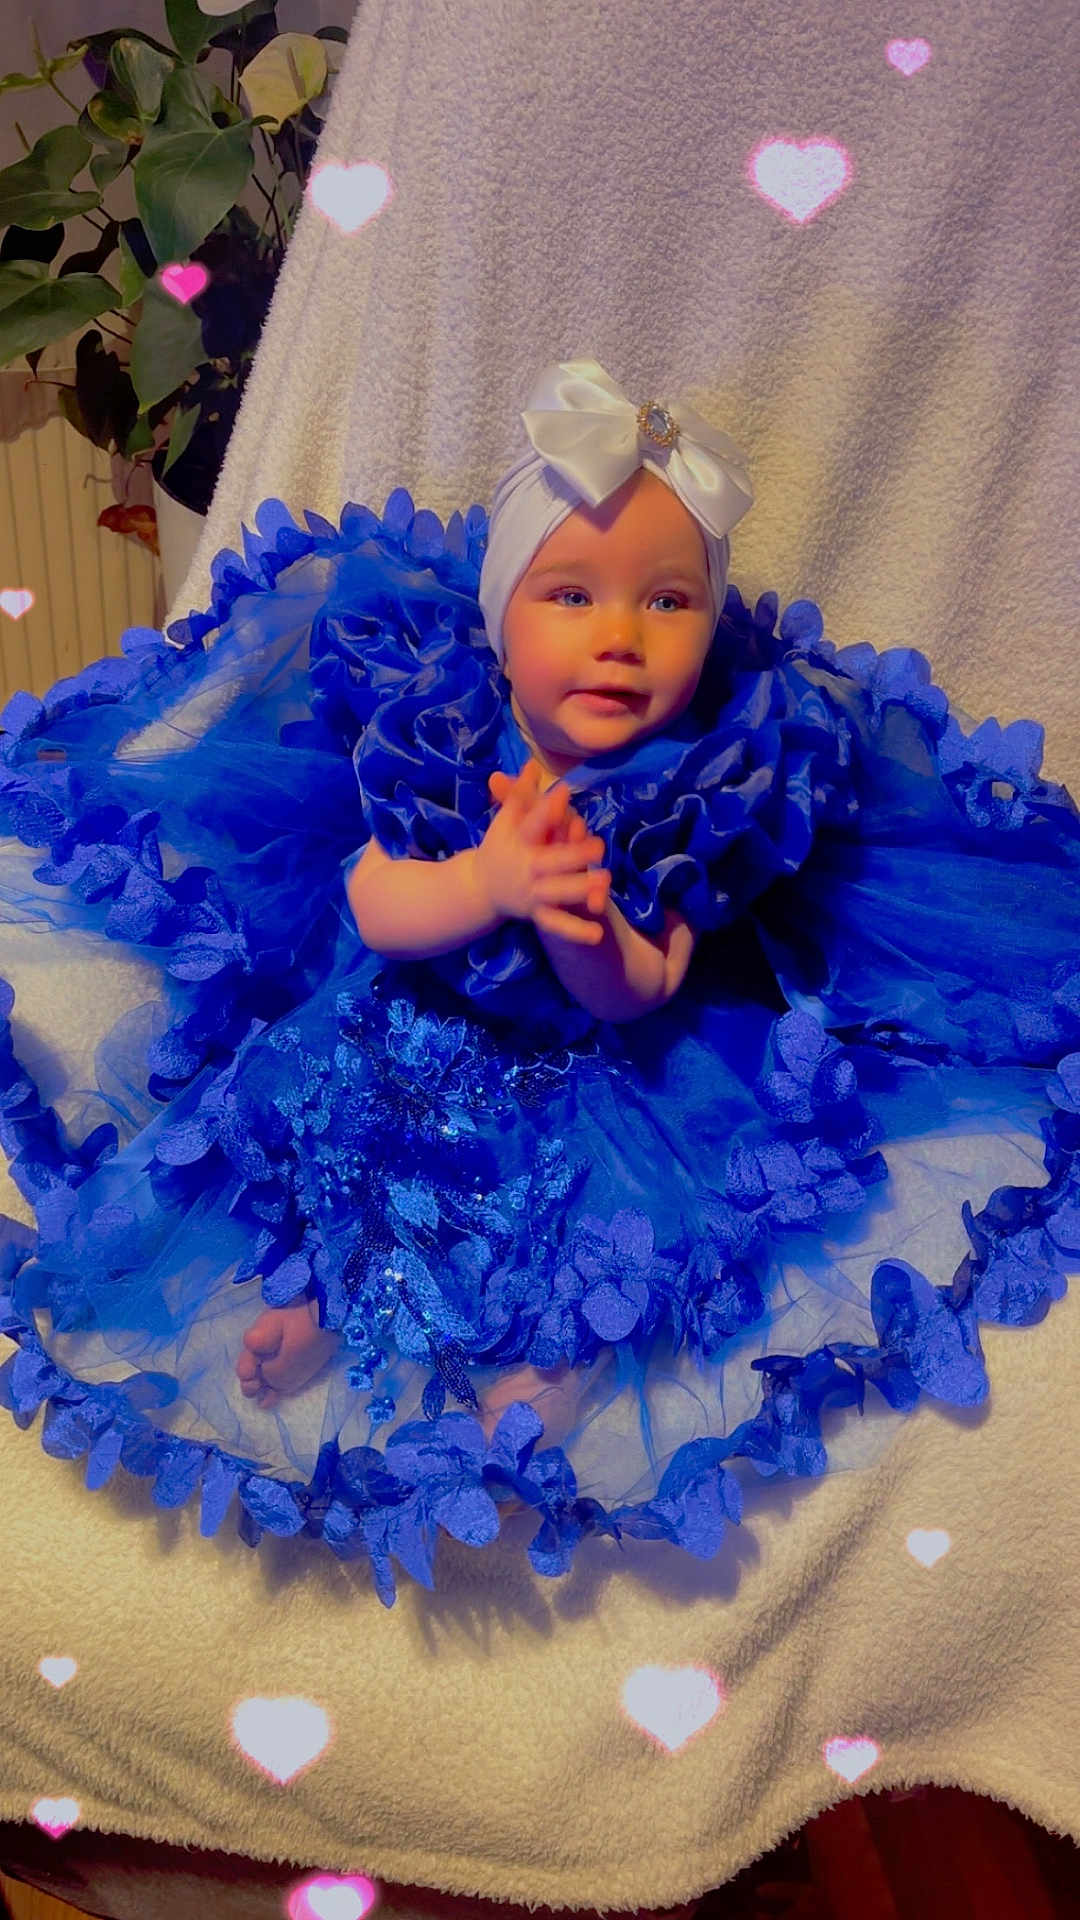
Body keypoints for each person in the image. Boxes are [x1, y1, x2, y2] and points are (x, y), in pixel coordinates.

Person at [1, 356, 1078, 1609]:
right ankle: (328, 1298)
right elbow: (370, 900)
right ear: (503, 621)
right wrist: (487, 884)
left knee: (569, 1219)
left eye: (668, 602)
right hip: (411, 1021)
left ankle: (547, 1354)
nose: (620, 638)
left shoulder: (697, 784)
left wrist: (577, 924)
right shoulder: (449, 730)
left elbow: (648, 983)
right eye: (571, 594)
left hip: (604, 1064)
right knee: (342, 1146)